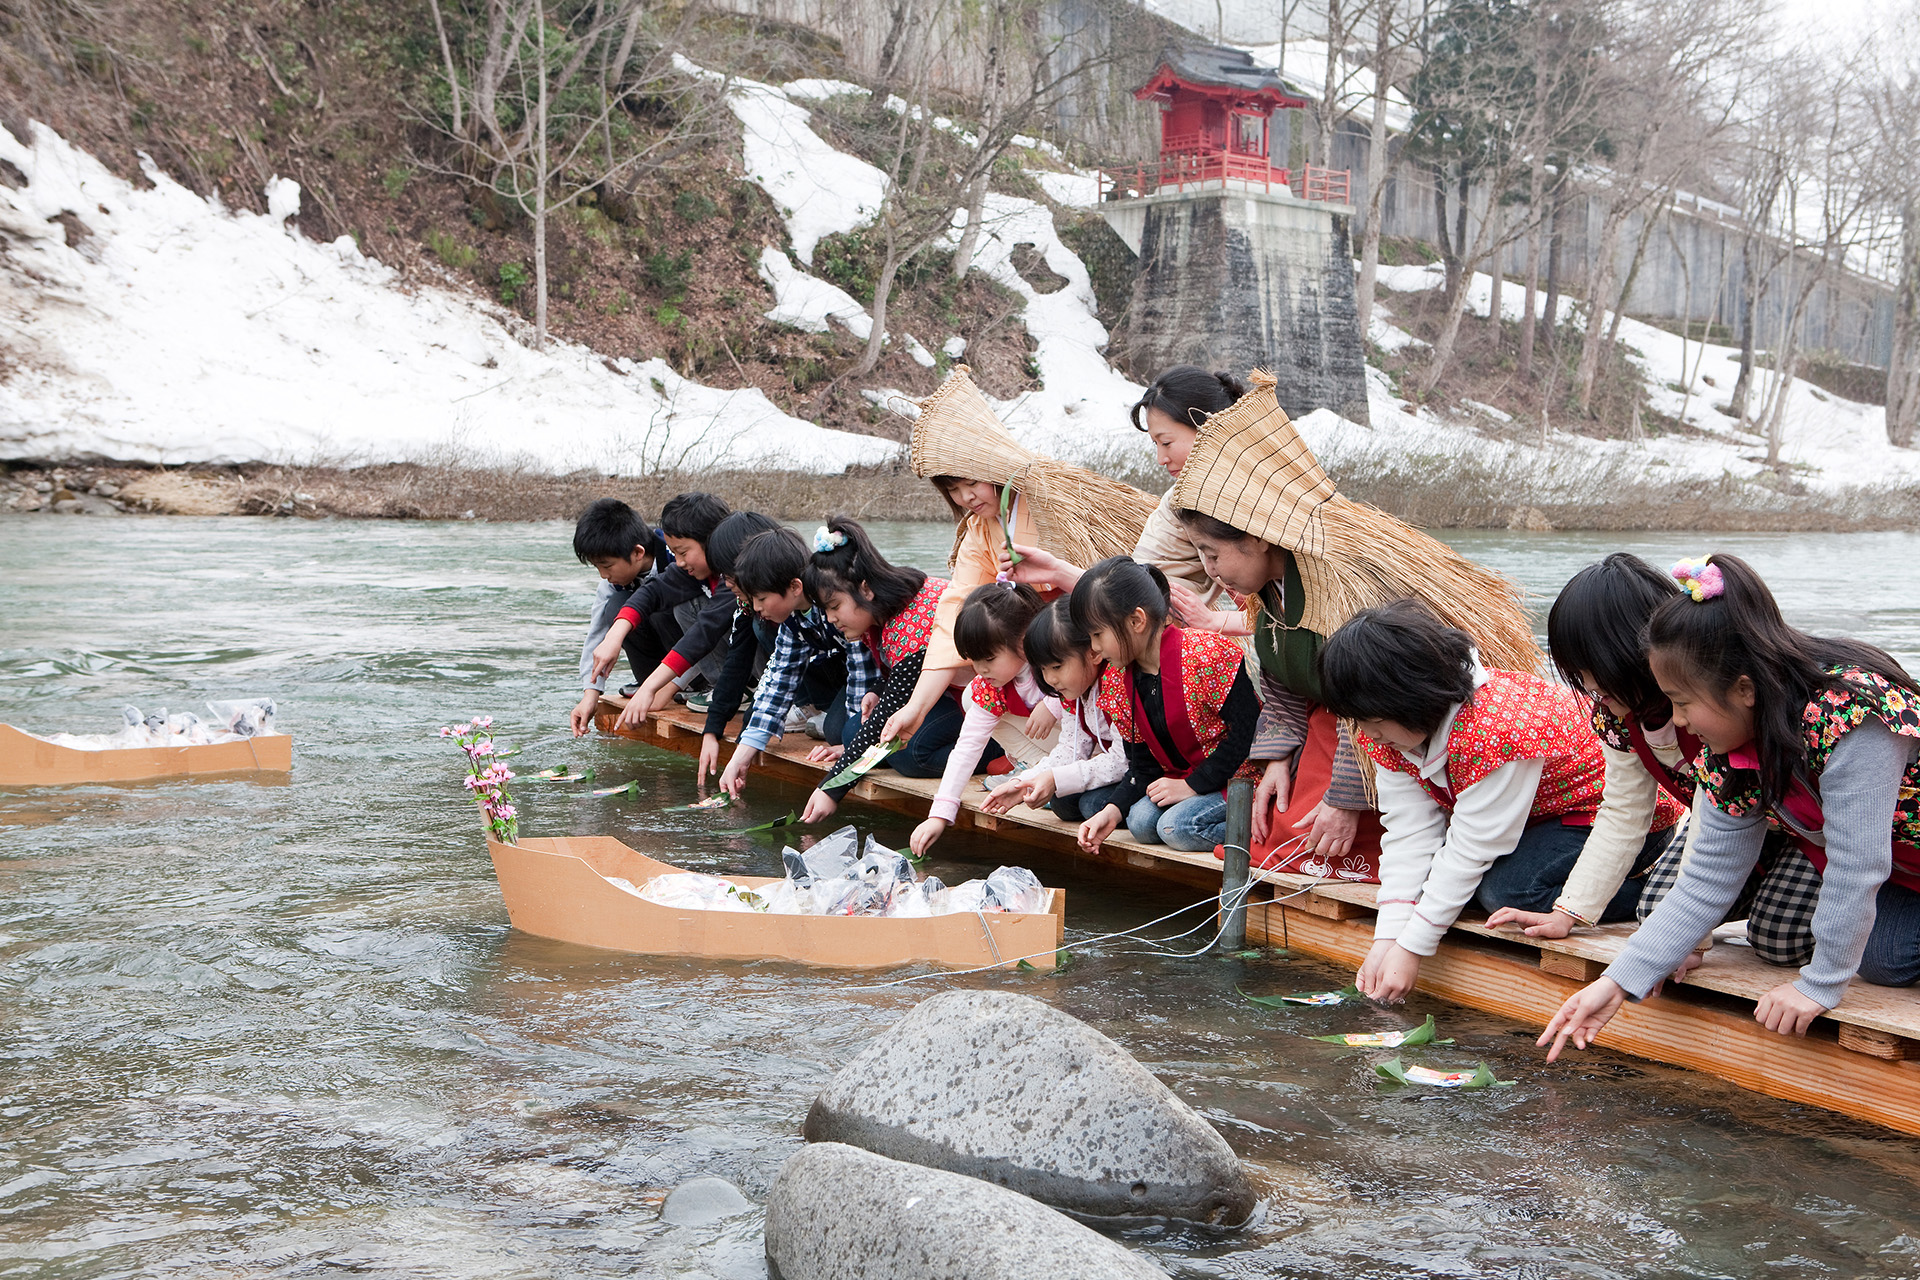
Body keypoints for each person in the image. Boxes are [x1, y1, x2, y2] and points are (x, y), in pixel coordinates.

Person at [1166, 370, 1541, 880]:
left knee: (1310, 848)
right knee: (1273, 834)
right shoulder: (1265, 591)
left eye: (1213, 554)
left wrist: (1345, 797)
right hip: (1324, 724)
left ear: (1257, 538)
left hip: (1374, 729)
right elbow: (1279, 680)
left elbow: (1376, 700)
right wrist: (1277, 758)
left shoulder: (1339, 578)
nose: (1209, 572)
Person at [1541, 555, 1920, 1058]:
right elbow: (1708, 876)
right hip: (1904, 871)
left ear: (1743, 689)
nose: (1678, 720)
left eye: (1681, 701)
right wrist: (1616, 983)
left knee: (1876, 957)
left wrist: (1819, 986)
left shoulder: (1850, 715)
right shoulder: (1728, 749)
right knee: (1884, 959)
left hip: (1889, 858)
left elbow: (1858, 862)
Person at [1316, 599, 1684, 1006]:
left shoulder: (1496, 728)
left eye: (1373, 720)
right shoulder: (1386, 731)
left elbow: (1473, 846)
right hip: (1535, 822)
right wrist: (1387, 939)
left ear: (1408, 697)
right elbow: (1409, 832)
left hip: (1607, 820)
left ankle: (1652, 891)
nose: (1368, 734)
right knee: (1452, 893)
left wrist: (1413, 948)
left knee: (1509, 892)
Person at [1490, 553, 1818, 952]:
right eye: (1579, 672)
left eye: (1595, 668)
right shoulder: (1618, 715)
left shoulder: (1711, 708)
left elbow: (1709, 819)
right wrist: (1569, 911)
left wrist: (1687, 939)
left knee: (1777, 940)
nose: (1590, 685)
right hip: (1736, 828)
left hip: (1800, 830)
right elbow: (1623, 812)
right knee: (1654, 911)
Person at [880, 365, 1160, 762]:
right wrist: (916, 707)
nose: (966, 498)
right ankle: (1042, 766)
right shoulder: (980, 528)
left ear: (992, 466)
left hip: (1087, 654)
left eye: (971, 482)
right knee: (972, 689)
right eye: (954, 490)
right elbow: (956, 608)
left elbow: (1105, 599)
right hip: (1039, 662)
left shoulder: (1054, 500)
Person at [798, 518, 1000, 825]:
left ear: (865, 589)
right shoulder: (885, 608)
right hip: (941, 697)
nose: (831, 619)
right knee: (852, 730)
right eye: (825, 610)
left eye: (835, 605)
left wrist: (832, 787)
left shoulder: (914, 621)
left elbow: (893, 705)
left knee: (910, 754)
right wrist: (879, 690)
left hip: (985, 702)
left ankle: (998, 753)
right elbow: (903, 678)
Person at [1072, 557, 1260, 855]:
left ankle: (1267, 826)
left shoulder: (1207, 654)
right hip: (1183, 779)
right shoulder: (1117, 680)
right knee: (1140, 822)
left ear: (1136, 621)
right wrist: (1112, 811)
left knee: (1176, 828)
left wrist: (1193, 786)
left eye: (1098, 635)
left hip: (1241, 775)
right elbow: (1142, 764)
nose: (1094, 648)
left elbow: (1249, 735)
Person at [717, 526, 879, 801]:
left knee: (840, 730)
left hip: (879, 683)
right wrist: (740, 758)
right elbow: (778, 682)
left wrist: (852, 745)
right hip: (848, 682)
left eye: (761, 599)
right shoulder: (793, 621)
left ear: (794, 587)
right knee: (757, 722)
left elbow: (861, 670)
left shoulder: (837, 601)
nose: (756, 608)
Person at [909, 583, 1051, 858]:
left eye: (988, 658)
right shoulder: (990, 685)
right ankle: (1034, 770)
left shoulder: (1053, 662)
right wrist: (940, 814)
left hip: (1083, 746)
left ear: (1022, 641)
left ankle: (1042, 776)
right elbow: (967, 747)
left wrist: (1054, 704)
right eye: (973, 660)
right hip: (1048, 750)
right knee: (972, 698)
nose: (980, 669)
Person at [588, 492, 737, 731]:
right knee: (635, 605)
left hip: (753, 662)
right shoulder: (694, 569)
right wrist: (614, 637)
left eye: (683, 553)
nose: (678, 562)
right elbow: (653, 592)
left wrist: (656, 688)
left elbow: (704, 632)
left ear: (711, 541)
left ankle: (735, 688)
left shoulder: (736, 576)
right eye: (674, 553)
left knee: (690, 611)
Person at [983, 597, 1129, 825]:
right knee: (1064, 803)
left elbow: (1123, 760)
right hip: (1119, 770)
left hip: (1142, 773)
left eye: (1057, 667)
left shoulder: (1116, 683)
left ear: (1093, 652)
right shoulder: (1074, 692)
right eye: (1043, 669)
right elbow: (1072, 747)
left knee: (1091, 804)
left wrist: (1055, 779)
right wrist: (1022, 783)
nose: (1050, 679)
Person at [691, 511, 782, 785]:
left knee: (840, 729)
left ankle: (811, 705)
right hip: (785, 681)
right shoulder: (747, 604)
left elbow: (780, 674)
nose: (726, 584)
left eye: (730, 575)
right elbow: (737, 660)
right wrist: (713, 729)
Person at [569, 498, 673, 736]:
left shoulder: (677, 561)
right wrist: (591, 693)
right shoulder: (612, 584)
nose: (603, 575)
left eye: (607, 566)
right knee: (615, 606)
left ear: (638, 552)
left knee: (660, 606)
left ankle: (689, 685)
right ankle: (649, 681)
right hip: (658, 669)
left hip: (691, 664)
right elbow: (597, 635)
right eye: (597, 567)